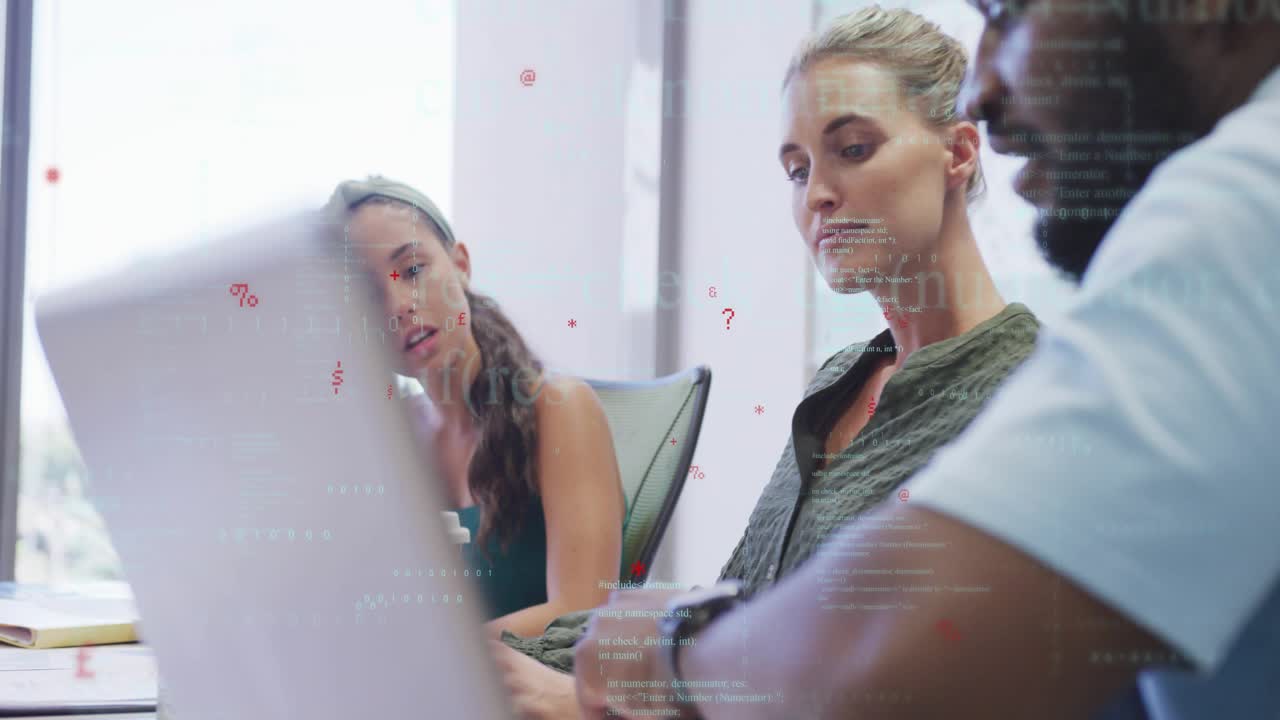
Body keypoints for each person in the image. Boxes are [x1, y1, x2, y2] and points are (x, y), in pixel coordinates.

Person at [573, 2, 1280, 719]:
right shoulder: (840, 384)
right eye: (795, 169)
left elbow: (879, 659)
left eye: (1009, 12)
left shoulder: (1251, 201)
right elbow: (764, 602)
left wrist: (666, 654)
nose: (983, 90)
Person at [492, 8, 1044, 717]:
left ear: (959, 153)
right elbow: (743, 602)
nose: (815, 193)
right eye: (797, 168)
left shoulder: (1023, 393)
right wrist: (517, 657)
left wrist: (594, 705)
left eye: (852, 148)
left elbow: (883, 684)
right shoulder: (843, 380)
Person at [324, 176, 629, 640]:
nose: (399, 306)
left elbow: (581, 610)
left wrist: (440, 660)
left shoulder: (561, 410)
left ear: (460, 265)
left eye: (411, 270)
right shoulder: (390, 442)